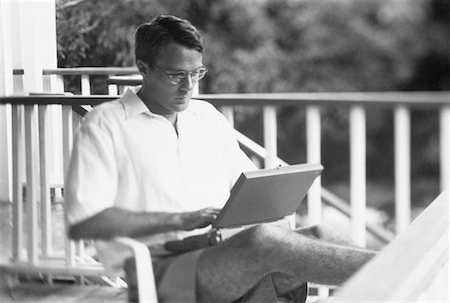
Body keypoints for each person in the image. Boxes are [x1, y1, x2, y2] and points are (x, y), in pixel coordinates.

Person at [65, 15, 376, 303]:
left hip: (221, 248)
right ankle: (405, 267)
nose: (189, 87)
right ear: (143, 67)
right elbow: (84, 223)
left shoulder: (205, 117)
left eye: (196, 73)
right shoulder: (106, 124)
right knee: (263, 242)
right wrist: (181, 220)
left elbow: (246, 185)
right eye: (176, 75)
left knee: (320, 234)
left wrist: (273, 189)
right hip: (156, 267)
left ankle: (399, 276)